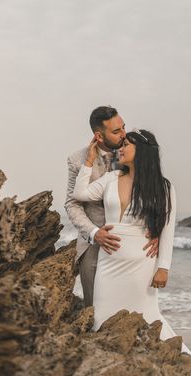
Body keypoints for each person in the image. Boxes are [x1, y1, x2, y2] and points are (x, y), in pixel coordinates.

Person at [72, 128, 191, 374]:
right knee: (103, 317)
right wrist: (89, 160)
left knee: (144, 317)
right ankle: (109, 369)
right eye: (121, 143)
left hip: (141, 264)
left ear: (142, 151)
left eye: (126, 144)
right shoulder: (112, 177)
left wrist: (163, 268)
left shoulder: (164, 187)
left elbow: (167, 230)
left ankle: (157, 368)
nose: (120, 148)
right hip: (109, 261)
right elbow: (80, 193)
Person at [65, 106, 158, 307]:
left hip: (134, 242)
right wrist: (94, 232)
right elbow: (72, 204)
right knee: (95, 308)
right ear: (99, 136)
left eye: (123, 127)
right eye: (116, 132)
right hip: (94, 241)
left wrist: (157, 231)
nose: (124, 135)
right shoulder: (77, 160)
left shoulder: (132, 149)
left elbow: (152, 189)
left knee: (134, 307)